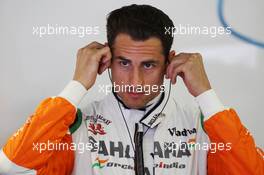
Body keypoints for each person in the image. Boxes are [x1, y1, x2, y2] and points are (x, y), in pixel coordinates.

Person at [0, 4, 263, 175]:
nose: (134, 81)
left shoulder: (203, 129)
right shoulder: (75, 127)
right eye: (124, 63)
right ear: (106, 60)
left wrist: (207, 96)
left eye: (148, 65)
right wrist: (76, 86)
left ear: (169, 63)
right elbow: (10, 167)